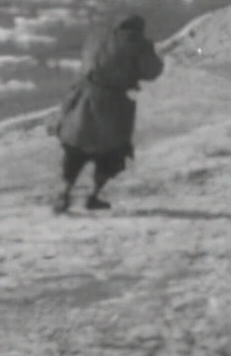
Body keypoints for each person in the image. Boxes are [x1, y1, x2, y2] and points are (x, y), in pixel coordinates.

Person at [49, 13, 163, 213]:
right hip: (114, 104)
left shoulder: (98, 37)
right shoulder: (137, 43)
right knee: (112, 153)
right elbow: (152, 71)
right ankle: (92, 196)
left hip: (84, 97)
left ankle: (64, 193)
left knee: (76, 150)